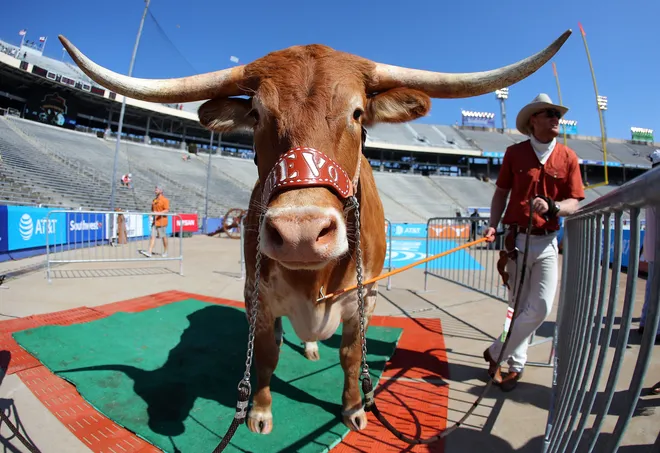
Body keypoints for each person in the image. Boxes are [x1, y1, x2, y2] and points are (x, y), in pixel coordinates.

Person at [482, 93, 585, 392]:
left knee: (539, 307)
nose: (556, 118)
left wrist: (555, 208)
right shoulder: (514, 153)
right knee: (516, 307)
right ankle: (516, 365)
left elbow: (575, 201)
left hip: (548, 240)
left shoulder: (569, 157)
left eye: (558, 114)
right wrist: (492, 223)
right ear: (533, 120)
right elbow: (501, 192)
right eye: (549, 113)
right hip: (517, 241)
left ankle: (495, 353)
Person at [638, 150, 659, 341]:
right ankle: (653, 328)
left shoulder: (649, 184)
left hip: (652, 248)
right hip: (656, 248)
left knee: (652, 289)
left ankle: (646, 324)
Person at [141, 186, 170, 258]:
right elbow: (153, 210)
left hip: (162, 221)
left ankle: (166, 251)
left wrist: (158, 213)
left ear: (161, 191)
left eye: (156, 190)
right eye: (155, 189)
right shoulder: (154, 200)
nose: (155, 191)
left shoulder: (165, 200)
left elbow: (166, 210)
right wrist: (151, 214)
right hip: (155, 221)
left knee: (163, 237)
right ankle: (149, 252)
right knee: (152, 236)